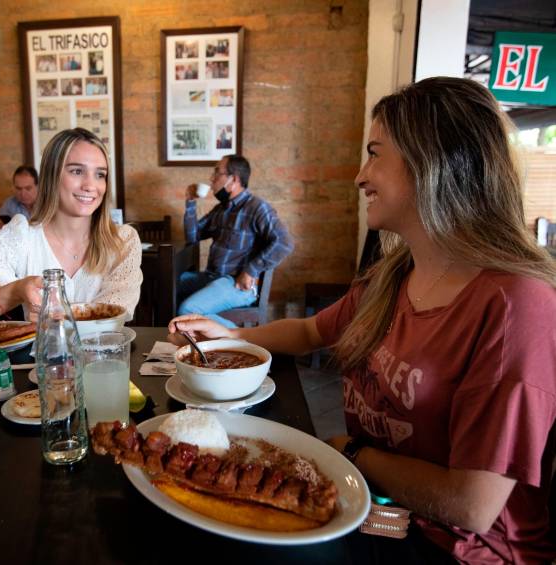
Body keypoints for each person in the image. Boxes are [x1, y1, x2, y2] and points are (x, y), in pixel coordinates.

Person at [169, 77, 556, 563]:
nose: (360, 176)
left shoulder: (516, 305)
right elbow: (311, 331)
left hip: (458, 550)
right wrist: (233, 333)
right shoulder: (394, 277)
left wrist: (350, 453)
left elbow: (472, 506)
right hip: (374, 506)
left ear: (432, 162)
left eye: (375, 154)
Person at [0, 128, 142, 321]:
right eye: (76, 171)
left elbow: (115, 311)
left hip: (104, 353)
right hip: (43, 353)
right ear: (52, 176)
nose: (90, 186)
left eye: (100, 175)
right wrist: (15, 291)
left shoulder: (123, 241)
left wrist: (57, 317)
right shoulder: (20, 234)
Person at [178, 154, 293, 328]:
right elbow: (193, 237)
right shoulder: (221, 210)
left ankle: (245, 341)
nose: (211, 179)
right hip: (213, 277)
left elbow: (284, 242)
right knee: (167, 286)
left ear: (233, 179)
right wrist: (190, 202)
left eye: (217, 172)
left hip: (237, 285)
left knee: (187, 310)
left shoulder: (256, 207)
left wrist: (251, 270)